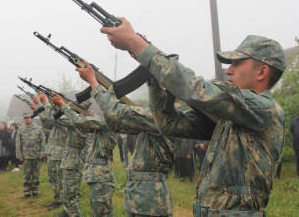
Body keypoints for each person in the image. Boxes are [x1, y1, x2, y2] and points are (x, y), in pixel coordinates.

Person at [101, 21, 286, 215]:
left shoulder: (265, 109)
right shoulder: (231, 119)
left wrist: (136, 43)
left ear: (262, 72)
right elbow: (168, 123)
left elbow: (196, 91)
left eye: (237, 63)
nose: (229, 70)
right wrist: (154, 76)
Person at [75, 65, 177, 217]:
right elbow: (116, 122)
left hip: (151, 198)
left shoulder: (167, 118)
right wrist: (103, 86)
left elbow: (119, 113)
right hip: (139, 194)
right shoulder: (155, 119)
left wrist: (94, 82)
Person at [52, 93, 117, 217]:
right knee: (97, 211)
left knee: (102, 212)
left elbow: (78, 120)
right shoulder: (104, 120)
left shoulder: (107, 121)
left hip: (100, 173)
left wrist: (63, 104)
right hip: (95, 172)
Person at [16, 113, 46, 199]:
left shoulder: (38, 128)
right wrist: (19, 155)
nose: (27, 119)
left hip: (36, 156)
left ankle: (35, 191)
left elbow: (43, 141)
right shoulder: (21, 129)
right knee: (27, 175)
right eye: (25, 118)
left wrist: (42, 153)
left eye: (28, 117)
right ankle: (26, 191)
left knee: (36, 174)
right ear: (23, 119)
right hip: (26, 157)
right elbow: (18, 143)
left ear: (31, 118)